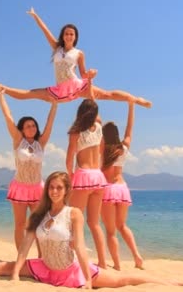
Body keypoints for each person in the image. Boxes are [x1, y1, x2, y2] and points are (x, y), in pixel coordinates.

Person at [0, 172, 183, 288]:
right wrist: (17, 274)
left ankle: (166, 281)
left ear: (66, 191)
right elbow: (25, 247)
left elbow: (81, 248)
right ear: (47, 190)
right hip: (44, 268)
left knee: (124, 280)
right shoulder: (39, 214)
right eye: (51, 187)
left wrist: (86, 281)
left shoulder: (74, 214)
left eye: (59, 188)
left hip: (72, 272)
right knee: (2, 267)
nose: (54, 191)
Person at [0, 7, 152, 108]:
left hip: (77, 85)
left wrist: (91, 74)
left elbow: (83, 73)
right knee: (31, 93)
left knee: (106, 95)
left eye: (72, 34)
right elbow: (45, 31)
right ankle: (2, 88)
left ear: (75, 37)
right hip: (60, 89)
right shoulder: (56, 48)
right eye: (66, 33)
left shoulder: (79, 53)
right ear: (63, 36)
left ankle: (136, 100)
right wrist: (35, 16)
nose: (69, 36)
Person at [0, 84, 57, 251]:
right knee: (20, 225)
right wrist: (1, 96)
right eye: (27, 126)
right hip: (20, 187)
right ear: (22, 129)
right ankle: (21, 257)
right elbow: (8, 116)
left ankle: (42, 257)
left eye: (33, 125)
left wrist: (54, 105)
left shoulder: (41, 142)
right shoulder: (18, 140)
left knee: (38, 224)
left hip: (37, 188)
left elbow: (49, 124)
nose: (31, 128)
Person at [66, 99, 108, 268]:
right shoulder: (99, 129)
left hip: (83, 176)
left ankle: (71, 259)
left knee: (73, 221)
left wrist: (70, 176)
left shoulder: (76, 132)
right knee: (95, 223)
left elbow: (69, 159)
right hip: (98, 176)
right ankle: (104, 263)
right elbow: (102, 151)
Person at [101, 102, 143, 270]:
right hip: (123, 188)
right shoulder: (123, 147)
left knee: (111, 231)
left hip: (108, 189)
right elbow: (130, 128)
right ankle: (137, 256)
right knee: (122, 226)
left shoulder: (102, 150)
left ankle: (117, 264)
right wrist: (131, 107)